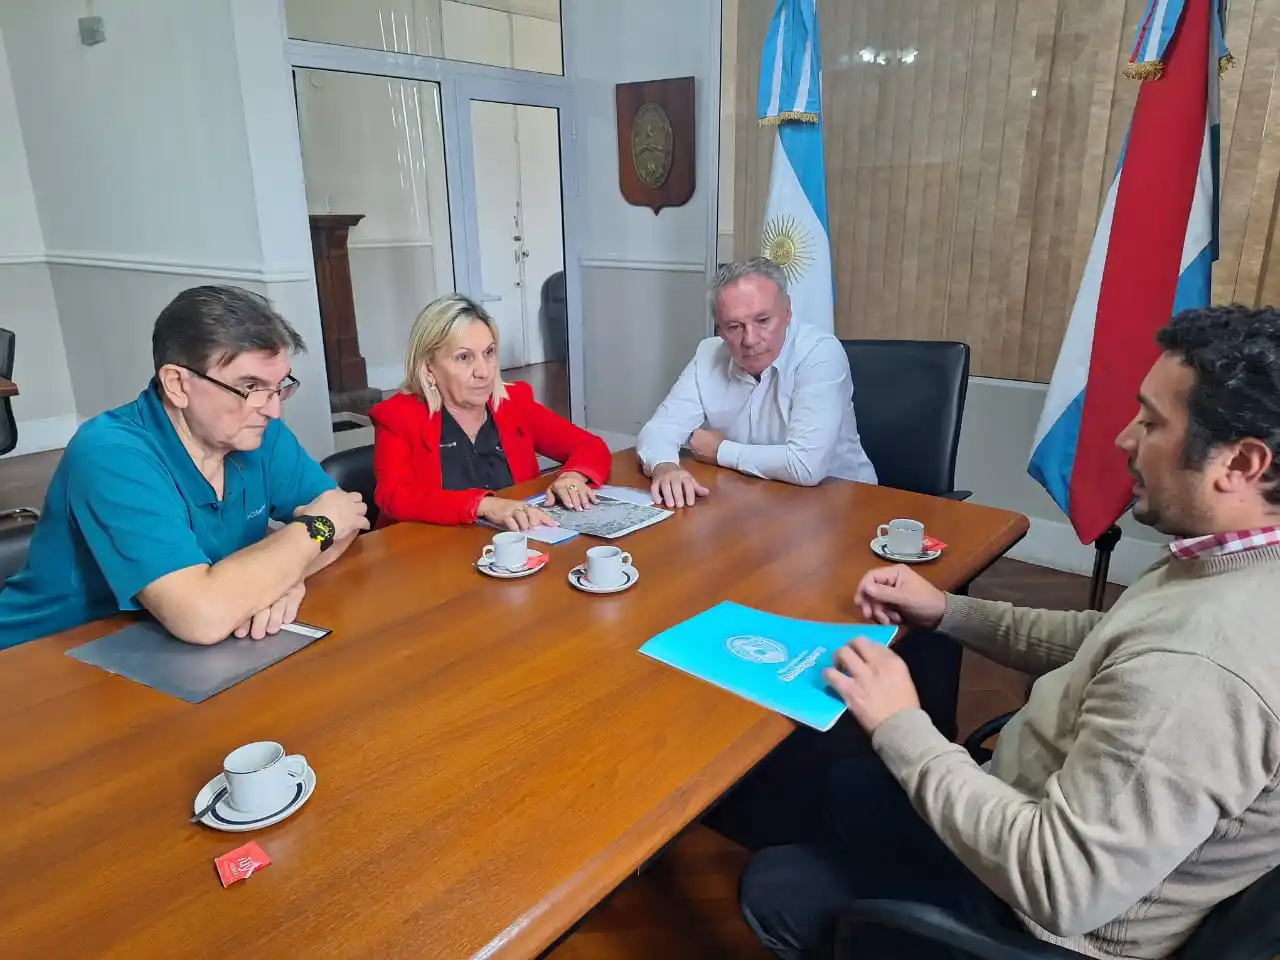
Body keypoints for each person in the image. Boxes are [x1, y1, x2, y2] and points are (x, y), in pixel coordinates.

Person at [740, 304, 1280, 960]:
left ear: (1242, 463)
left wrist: (901, 724)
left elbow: (1059, 885)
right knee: (837, 783)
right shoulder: (1233, 560)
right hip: (1035, 799)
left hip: (1034, 917)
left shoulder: (1200, 666)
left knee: (775, 884)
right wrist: (948, 610)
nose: (1124, 439)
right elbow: (1106, 641)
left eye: (1153, 421)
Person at [0, 286, 369, 651]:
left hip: (171, 650)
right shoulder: (110, 454)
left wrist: (272, 581)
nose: (274, 410)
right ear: (177, 384)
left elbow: (347, 518)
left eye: (279, 387)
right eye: (250, 386)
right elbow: (202, 617)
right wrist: (312, 533)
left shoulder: (256, 430)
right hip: (44, 659)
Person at [636, 257, 876, 509]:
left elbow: (806, 465)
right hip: (757, 499)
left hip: (845, 503)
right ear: (718, 328)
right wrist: (664, 467)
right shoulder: (709, 354)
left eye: (763, 321)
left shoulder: (820, 353)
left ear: (787, 312)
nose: (750, 340)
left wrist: (720, 451)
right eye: (734, 326)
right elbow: (658, 430)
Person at [370, 294, 611, 529]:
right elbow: (395, 496)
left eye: (489, 353)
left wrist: (573, 477)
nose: (484, 371)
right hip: (427, 555)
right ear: (428, 368)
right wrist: (484, 505)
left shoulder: (512, 403)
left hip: (514, 550)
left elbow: (590, 446)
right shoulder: (399, 417)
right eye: (464, 357)